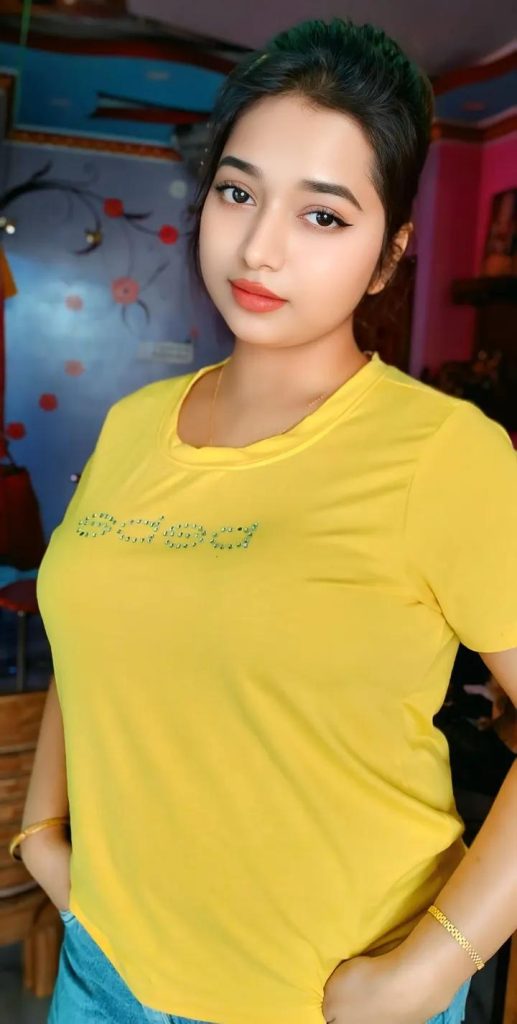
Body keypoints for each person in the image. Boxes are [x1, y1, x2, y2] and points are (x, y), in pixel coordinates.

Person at [10, 17, 517, 1024]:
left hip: (324, 992)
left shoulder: (442, 452)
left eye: (322, 215)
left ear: (388, 256)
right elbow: (98, 623)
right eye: (239, 193)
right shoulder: (132, 424)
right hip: (106, 968)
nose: (259, 247)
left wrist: (423, 974)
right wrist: (40, 831)